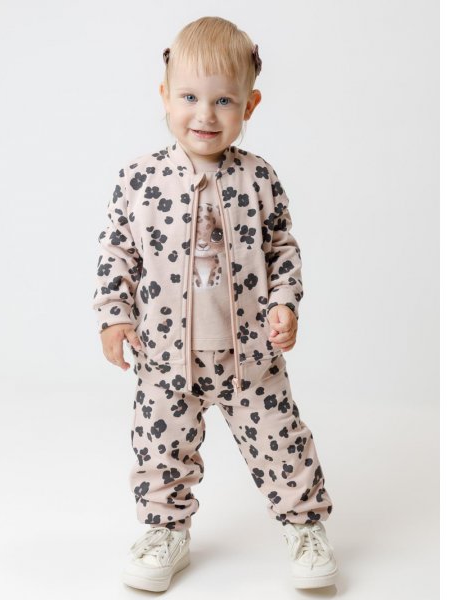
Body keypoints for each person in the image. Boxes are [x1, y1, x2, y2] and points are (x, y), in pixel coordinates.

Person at [92, 16, 338, 592]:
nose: (204, 114)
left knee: (281, 441)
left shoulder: (259, 178)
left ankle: (305, 526)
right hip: (164, 356)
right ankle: (164, 530)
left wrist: (285, 304)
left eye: (223, 100)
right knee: (160, 446)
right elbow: (117, 252)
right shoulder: (138, 180)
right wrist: (114, 316)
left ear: (250, 104)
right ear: (165, 96)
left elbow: (282, 250)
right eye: (189, 97)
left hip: (249, 356)